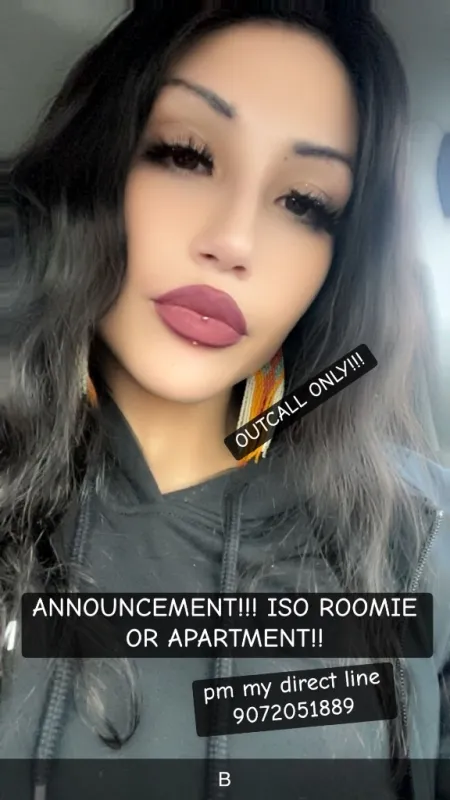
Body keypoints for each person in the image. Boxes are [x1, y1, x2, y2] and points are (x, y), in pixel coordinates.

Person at [1, 2, 449, 799]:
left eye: (305, 202)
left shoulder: (423, 538)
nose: (234, 241)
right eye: (185, 154)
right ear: (97, 167)